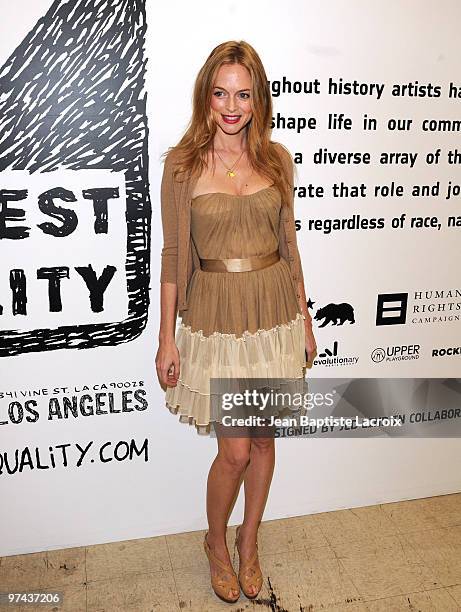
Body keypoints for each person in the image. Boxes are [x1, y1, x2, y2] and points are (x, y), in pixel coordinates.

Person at [156, 40, 317, 604]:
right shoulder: (181, 166)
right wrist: (165, 340)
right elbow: (174, 258)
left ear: (257, 99)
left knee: (266, 442)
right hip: (218, 322)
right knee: (236, 452)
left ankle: (249, 544)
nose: (232, 106)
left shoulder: (277, 160)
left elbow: (289, 248)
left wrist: (304, 318)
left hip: (274, 316)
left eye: (243, 94)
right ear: (206, 95)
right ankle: (215, 542)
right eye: (221, 93)